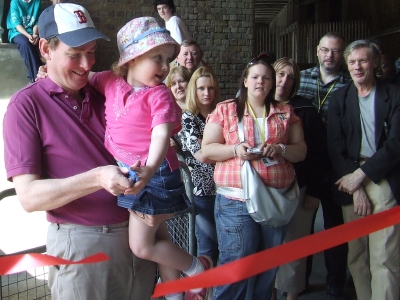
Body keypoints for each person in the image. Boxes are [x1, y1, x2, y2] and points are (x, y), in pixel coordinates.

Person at [3, 3, 157, 299]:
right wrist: (97, 177)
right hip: (83, 242)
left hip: (139, 237)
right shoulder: (26, 105)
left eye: (91, 52)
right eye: (75, 54)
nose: (87, 64)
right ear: (46, 49)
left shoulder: (105, 91)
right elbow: (29, 197)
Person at [89, 16, 211, 300]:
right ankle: (175, 294)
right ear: (132, 59)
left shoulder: (159, 96)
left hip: (154, 177)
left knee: (142, 246)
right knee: (159, 238)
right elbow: (89, 79)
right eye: (158, 58)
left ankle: (197, 268)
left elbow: (160, 135)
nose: (167, 67)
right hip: (137, 175)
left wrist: (149, 169)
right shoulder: (110, 82)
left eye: (168, 59)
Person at [202, 56, 307, 300]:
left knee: (267, 267)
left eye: (266, 78)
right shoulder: (226, 109)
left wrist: (280, 149)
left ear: (272, 84)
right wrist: (235, 150)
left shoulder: (285, 112)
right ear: (246, 81)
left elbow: (300, 150)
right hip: (235, 200)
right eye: (255, 77)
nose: (261, 81)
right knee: (236, 265)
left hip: (275, 200)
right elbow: (207, 149)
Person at [328, 39, 400, 300]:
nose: (357, 66)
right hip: (349, 175)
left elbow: (396, 144)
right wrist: (355, 185)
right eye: (352, 62)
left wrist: (362, 175)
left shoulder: (394, 94)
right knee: (357, 254)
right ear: (347, 66)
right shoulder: (339, 98)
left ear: (375, 63)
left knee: (385, 255)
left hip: (383, 176)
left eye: (363, 60)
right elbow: (335, 146)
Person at [297, 31, 351, 300]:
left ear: (343, 54)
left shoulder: (349, 82)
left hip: (335, 161)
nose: (331, 56)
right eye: (326, 50)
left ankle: (335, 283)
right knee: (303, 225)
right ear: (317, 51)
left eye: (337, 51)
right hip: (306, 160)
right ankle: (300, 281)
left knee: (335, 224)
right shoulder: (302, 79)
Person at [271, 57, 326, 300]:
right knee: (269, 246)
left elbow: (318, 152)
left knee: (296, 244)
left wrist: (315, 190)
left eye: (290, 76)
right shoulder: (259, 105)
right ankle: (269, 292)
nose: (284, 80)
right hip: (268, 189)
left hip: (301, 186)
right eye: (280, 74)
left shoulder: (305, 109)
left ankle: (292, 295)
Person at [180, 66, 220, 266]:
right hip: (202, 191)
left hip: (225, 188)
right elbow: (202, 155)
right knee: (207, 247)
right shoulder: (188, 117)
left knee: (226, 245)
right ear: (193, 91)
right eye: (201, 88)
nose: (207, 93)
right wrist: (226, 151)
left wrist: (215, 148)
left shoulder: (221, 115)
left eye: (211, 88)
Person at [6, 0, 43, 82]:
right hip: (17, 31)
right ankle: (35, 78)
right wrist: (28, 36)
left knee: (42, 44)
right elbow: (16, 24)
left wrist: (34, 34)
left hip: (32, 32)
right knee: (25, 43)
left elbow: (37, 22)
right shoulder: (15, 2)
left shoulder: (37, 2)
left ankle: (45, 77)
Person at [165, 65, 191, 157]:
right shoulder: (168, 111)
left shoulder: (201, 107)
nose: (178, 86)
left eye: (181, 81)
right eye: (173, 84)